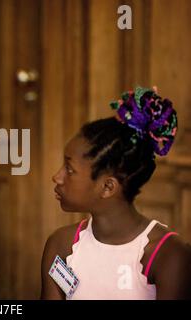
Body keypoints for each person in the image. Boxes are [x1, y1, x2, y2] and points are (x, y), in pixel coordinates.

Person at [41, 87, 191, 300]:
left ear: (108, 187)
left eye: (70, 169)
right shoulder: (62, 244)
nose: (57, 177)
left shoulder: (167, 255)